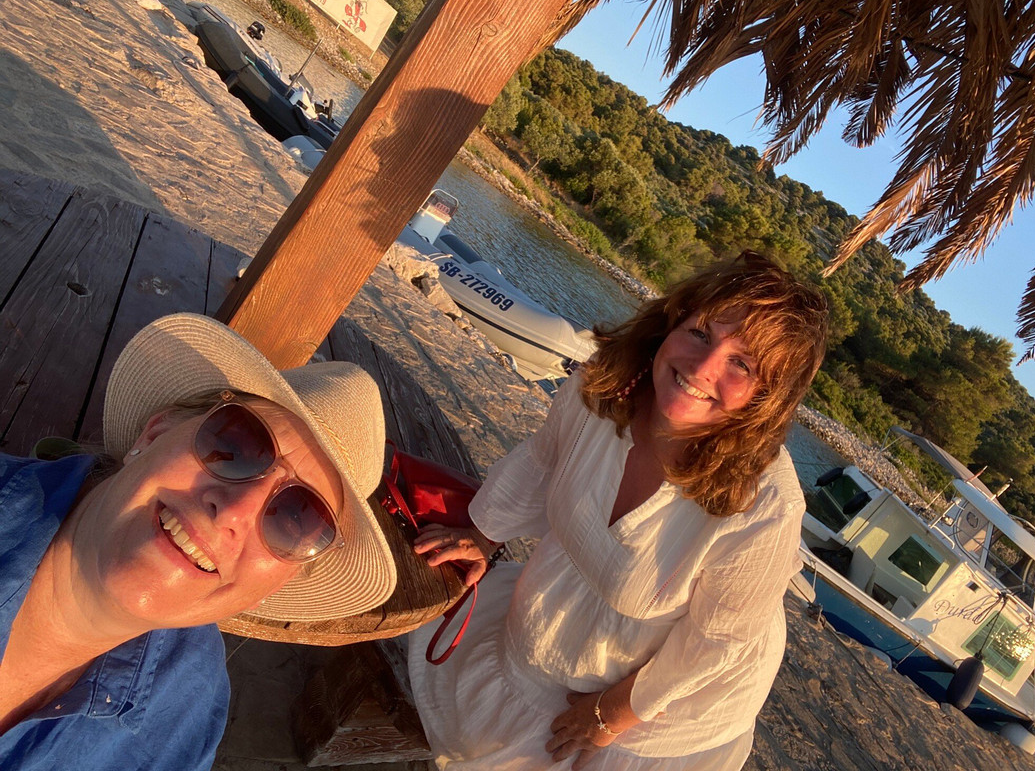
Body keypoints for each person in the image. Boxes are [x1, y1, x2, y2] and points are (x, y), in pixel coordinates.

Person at [409, 251, 829, 770]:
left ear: (767, 396)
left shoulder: (765, 508)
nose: (702, 369)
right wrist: (483, 532)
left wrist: (611, 715)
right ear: (671, 323)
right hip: (558, 619)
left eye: (741, 364)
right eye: (700, 333)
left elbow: (714, 645)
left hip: (669, 694)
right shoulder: (604, 389)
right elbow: (543, 460)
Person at [0, 313, 395, 770]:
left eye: (297, 519)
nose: (233, 512)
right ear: (154, 433)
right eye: (236, 446)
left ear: (276, 585)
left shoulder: (186, 719)